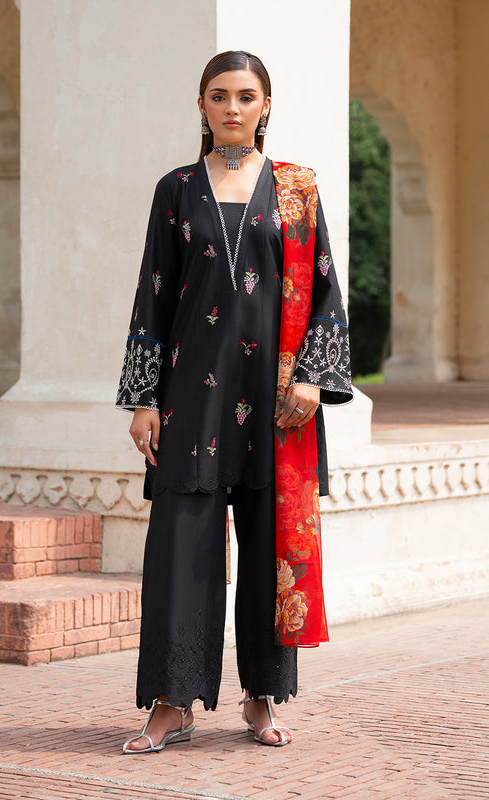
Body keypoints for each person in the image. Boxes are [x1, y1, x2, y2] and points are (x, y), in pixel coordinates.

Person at [116, 50, 352, 753]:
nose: (231, 108)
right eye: (218, 96)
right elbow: (151, 296)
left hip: (275, 400)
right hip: (190, 398)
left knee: (266, 544)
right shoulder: (176, 189)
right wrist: (142, 398)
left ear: (264, 106)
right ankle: (171, 700)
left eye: (245, 96)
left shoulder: (295, 190)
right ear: (200, 106)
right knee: (180, 549)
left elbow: (326, 290)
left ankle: (261, 697)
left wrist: (312, 376)